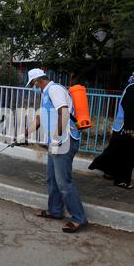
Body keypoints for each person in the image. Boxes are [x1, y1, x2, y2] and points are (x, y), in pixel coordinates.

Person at [20, 68, 88, 233]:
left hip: (64, 141)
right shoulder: (45, 93)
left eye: (34, 84)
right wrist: (24, 134)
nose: (34, 87)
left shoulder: (55, 89)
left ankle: (79, 218)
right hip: (56, 142)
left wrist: (57, 137)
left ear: (37, 80)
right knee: (52, 178)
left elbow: (64, 113)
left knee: (63, 181)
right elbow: (40, 118)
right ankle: (55, 210)